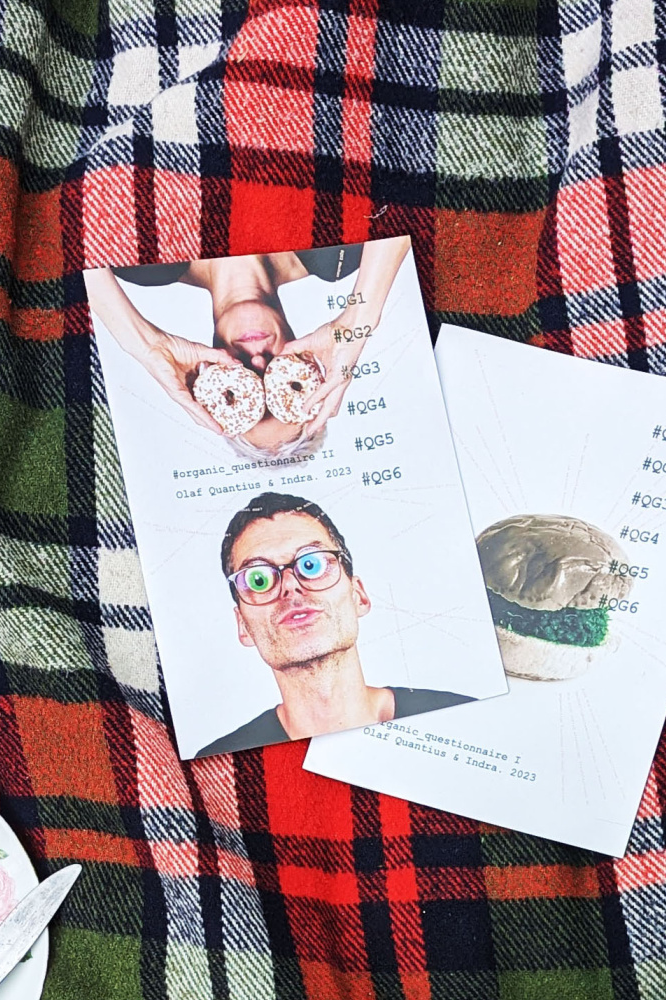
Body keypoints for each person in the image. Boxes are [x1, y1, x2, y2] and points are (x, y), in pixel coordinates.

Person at [196, 492, 473, 757]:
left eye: (312, 564)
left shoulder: (464, 719)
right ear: (243, 625)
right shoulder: (225, 764)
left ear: (359, 596)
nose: (290, 587)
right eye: (259, 579)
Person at [84, 239, 410, 455]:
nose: (257, 360)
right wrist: (361, 318)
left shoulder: (143, 266)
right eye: (279, 382)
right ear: (307, 364)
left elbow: (57, 227)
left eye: (245, 390)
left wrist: (143, 344)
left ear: (206, 384)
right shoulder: (340, 256)